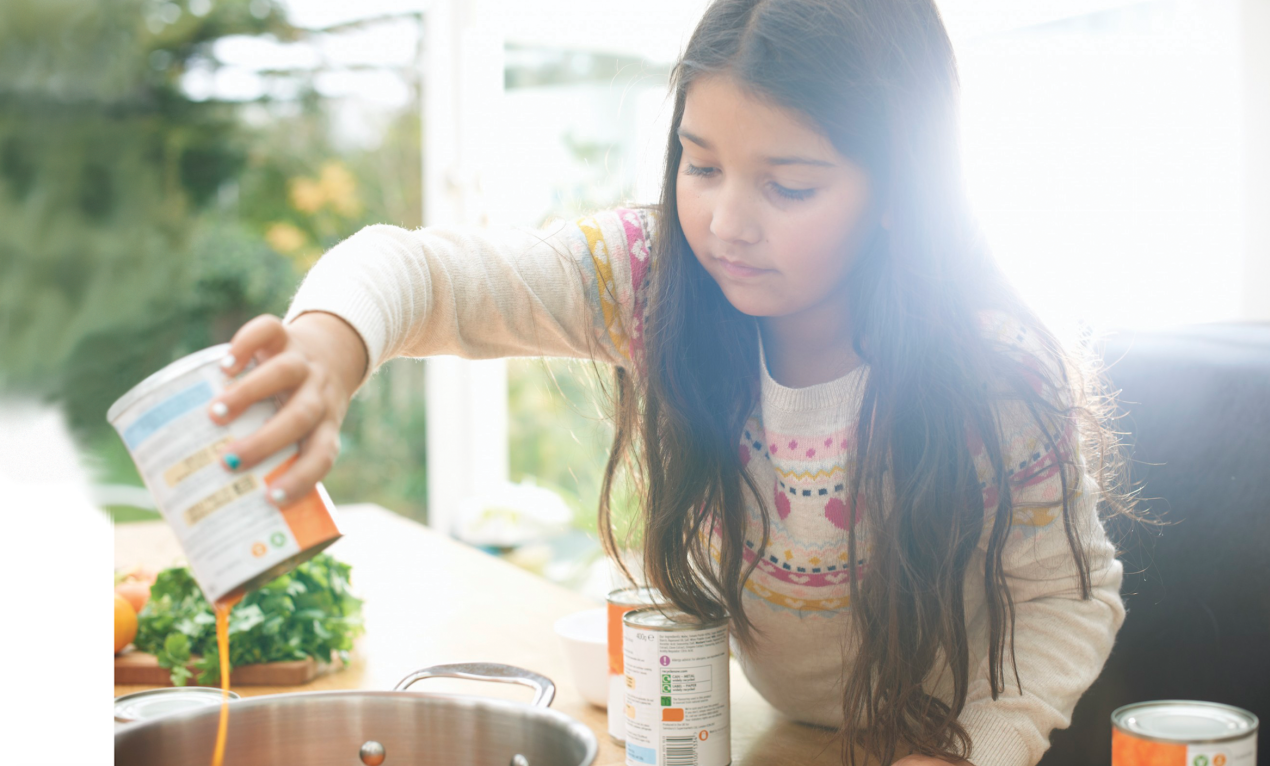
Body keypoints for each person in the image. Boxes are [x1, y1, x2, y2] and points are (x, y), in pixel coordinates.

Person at [204, 1, 1135, 764]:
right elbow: (423, 274)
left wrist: (971, 752)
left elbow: (1068, 598)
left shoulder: (992, 367)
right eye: (701, 164)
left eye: (790, 187)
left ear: (900, 188)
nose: (726, 221)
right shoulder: (652, 281)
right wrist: (328, 349)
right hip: (775, 739)